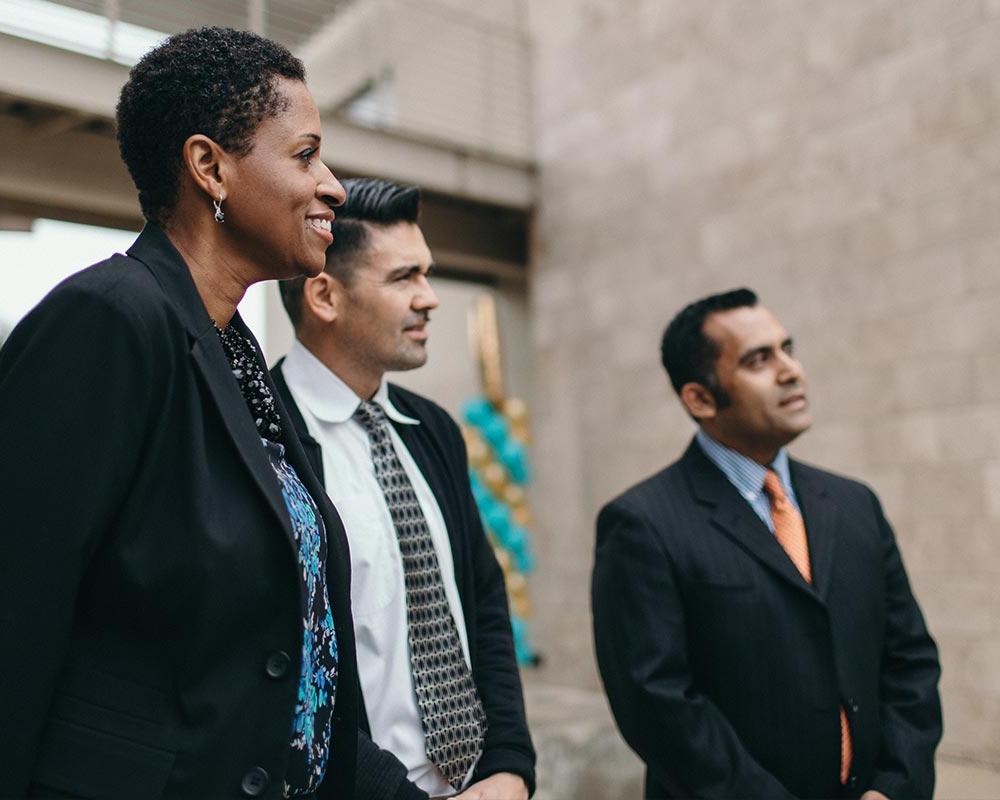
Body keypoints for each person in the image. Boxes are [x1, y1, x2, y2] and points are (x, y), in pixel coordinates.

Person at [0, 27, 362, 799]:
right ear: (210, 167)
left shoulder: (238, 357)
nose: (334, 185)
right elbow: (16, 619)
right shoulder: (107, 320)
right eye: (305, 155)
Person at [592, 288, 942, 800]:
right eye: (759, 360)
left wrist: (894, 786)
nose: (790, 370)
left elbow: (910, 659)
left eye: (787, 349)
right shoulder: (642, 524)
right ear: (700, 398)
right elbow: (659, 706)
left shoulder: (853, 503)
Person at [271, 178, 535, 800]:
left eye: (427, 273)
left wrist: (508, 768)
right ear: (325, 295)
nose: (431, 298)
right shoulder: (265, 439)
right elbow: (279, 668)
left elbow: (483, 604)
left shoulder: (434, 429)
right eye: (404, 278)